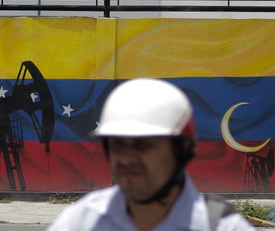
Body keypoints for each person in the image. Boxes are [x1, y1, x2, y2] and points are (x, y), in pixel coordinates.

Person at [48, 78, 254, 231]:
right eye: (118, 145)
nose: (127, 159)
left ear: (181, 150)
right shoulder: (80, 221)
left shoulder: (221, 226)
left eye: (143, 146)